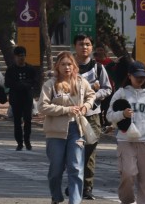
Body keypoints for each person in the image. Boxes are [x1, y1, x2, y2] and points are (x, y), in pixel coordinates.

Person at [106, 61, 145, 204]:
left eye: (143, 77)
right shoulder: (121, 93)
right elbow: (109, 115)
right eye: (136, 76)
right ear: (129, 76)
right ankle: (127, 200)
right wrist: (123, 114)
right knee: (128, 172)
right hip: (125, 139)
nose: (140, 79)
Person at [41, 51, 94, 204]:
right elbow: (42, 107)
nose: (67, 67)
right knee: (56, 169)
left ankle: (75, 201)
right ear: (57, 66)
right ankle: (56, 196)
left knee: (76, 167)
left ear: (74, 66)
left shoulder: (81, 82)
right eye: (63, 64)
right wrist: (66, 110)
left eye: (69, 64)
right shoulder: (50, 84)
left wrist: (86, 106)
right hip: (55, 132)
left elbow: (91, 95)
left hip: (76, 130)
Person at [72, 35, 112, 200]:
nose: (84, 47)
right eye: (81, 44)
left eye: (87, 44)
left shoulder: (98, 67)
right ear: (75, 46)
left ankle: (87, 186)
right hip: (72, 115)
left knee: (90, 149)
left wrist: (94, 95)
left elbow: (107, 88)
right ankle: (74, 182)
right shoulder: (68, 65)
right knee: (73, 150)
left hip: (92, 115)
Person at [4, 45, 41, 151]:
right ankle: (19, 142)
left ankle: (27, 140)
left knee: (28, 120)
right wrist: (18, 85)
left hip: (27, 98)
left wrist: (26, 84)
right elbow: (7, 83)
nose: (22, 58)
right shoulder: (11, 69)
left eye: (23, 55)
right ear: (15, 57)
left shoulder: (30, 69)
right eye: (19, 56)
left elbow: (35, 81)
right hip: (15, 98)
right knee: (17, 121)